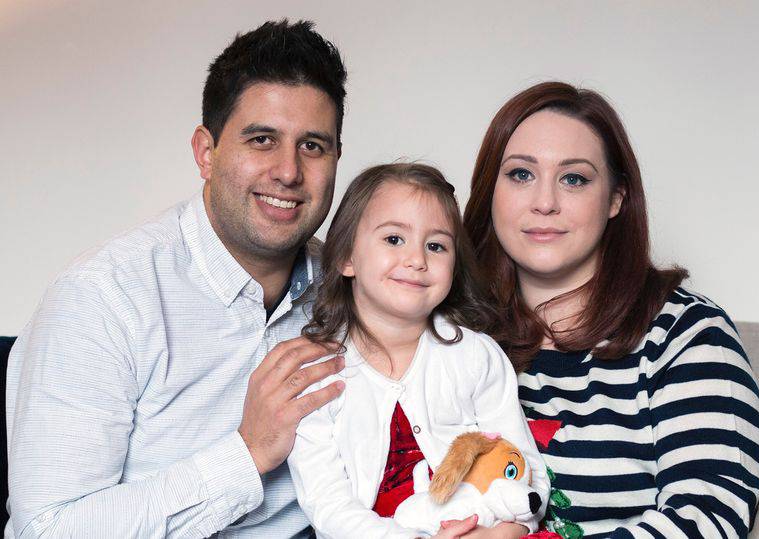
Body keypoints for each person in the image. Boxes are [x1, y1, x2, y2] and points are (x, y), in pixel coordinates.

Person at [6, 20, 352, 538]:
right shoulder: (100, 299)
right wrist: (247, 453)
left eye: (313, 146)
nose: (288, 172)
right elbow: (46, 530)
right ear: (206, 152)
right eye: (262, 140)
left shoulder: (355, 287)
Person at [463, 81, 759, 538]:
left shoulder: (688, 334)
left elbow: (710, 516)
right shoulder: (453, 341)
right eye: (521, 174)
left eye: (574, 178)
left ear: (616, 198)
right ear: (490, 191)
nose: (544, 202)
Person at [286, 163, 550, 538]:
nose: (417, 260)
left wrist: (505, 532)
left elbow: (525, 468)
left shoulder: (476, 357)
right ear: (347, 257)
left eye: (436, 246)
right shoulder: (317, 373)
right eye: (394, 239)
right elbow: (327, 504)